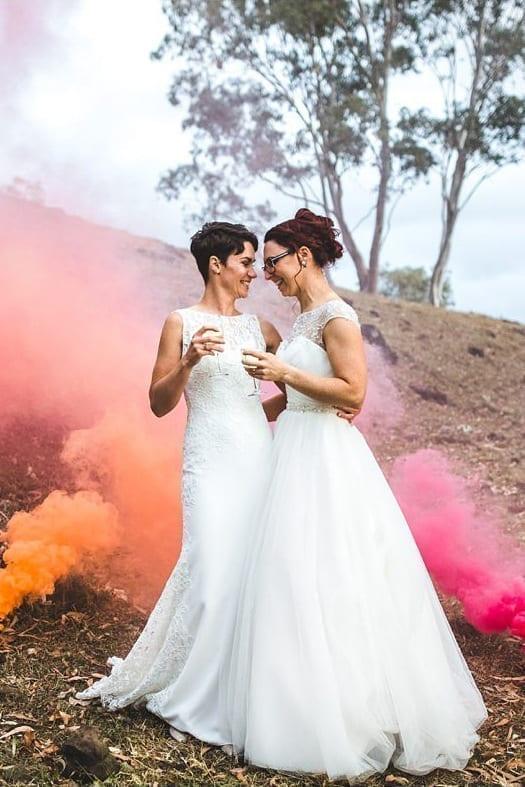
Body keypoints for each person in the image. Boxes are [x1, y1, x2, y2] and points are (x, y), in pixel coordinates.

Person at [227, 208, 487, 780]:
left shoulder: (337, 317)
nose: (268, 273)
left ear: (302, 255)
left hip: (325, 459)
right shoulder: (300, 320)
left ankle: (354, 712)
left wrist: (282, 372)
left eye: (272, 262)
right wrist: (243, 414)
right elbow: (297, 397)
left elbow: (353, 392)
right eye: (263, 265)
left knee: (332, 574)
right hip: (293, 446)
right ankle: (297, 705)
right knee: (290, 576)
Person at [76, 221, 282, 748]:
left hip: (257, 458)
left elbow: (292, 386)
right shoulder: (180, 322)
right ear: (217, 265)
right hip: (207, 461)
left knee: (252, 572)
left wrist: (272, 415)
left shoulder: (261, 328)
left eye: (257, 263)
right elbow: (159, 403)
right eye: (246, 263)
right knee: (210, 566)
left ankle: (239, 691)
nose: (254, 273)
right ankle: (192, 690)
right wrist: (189, 361)